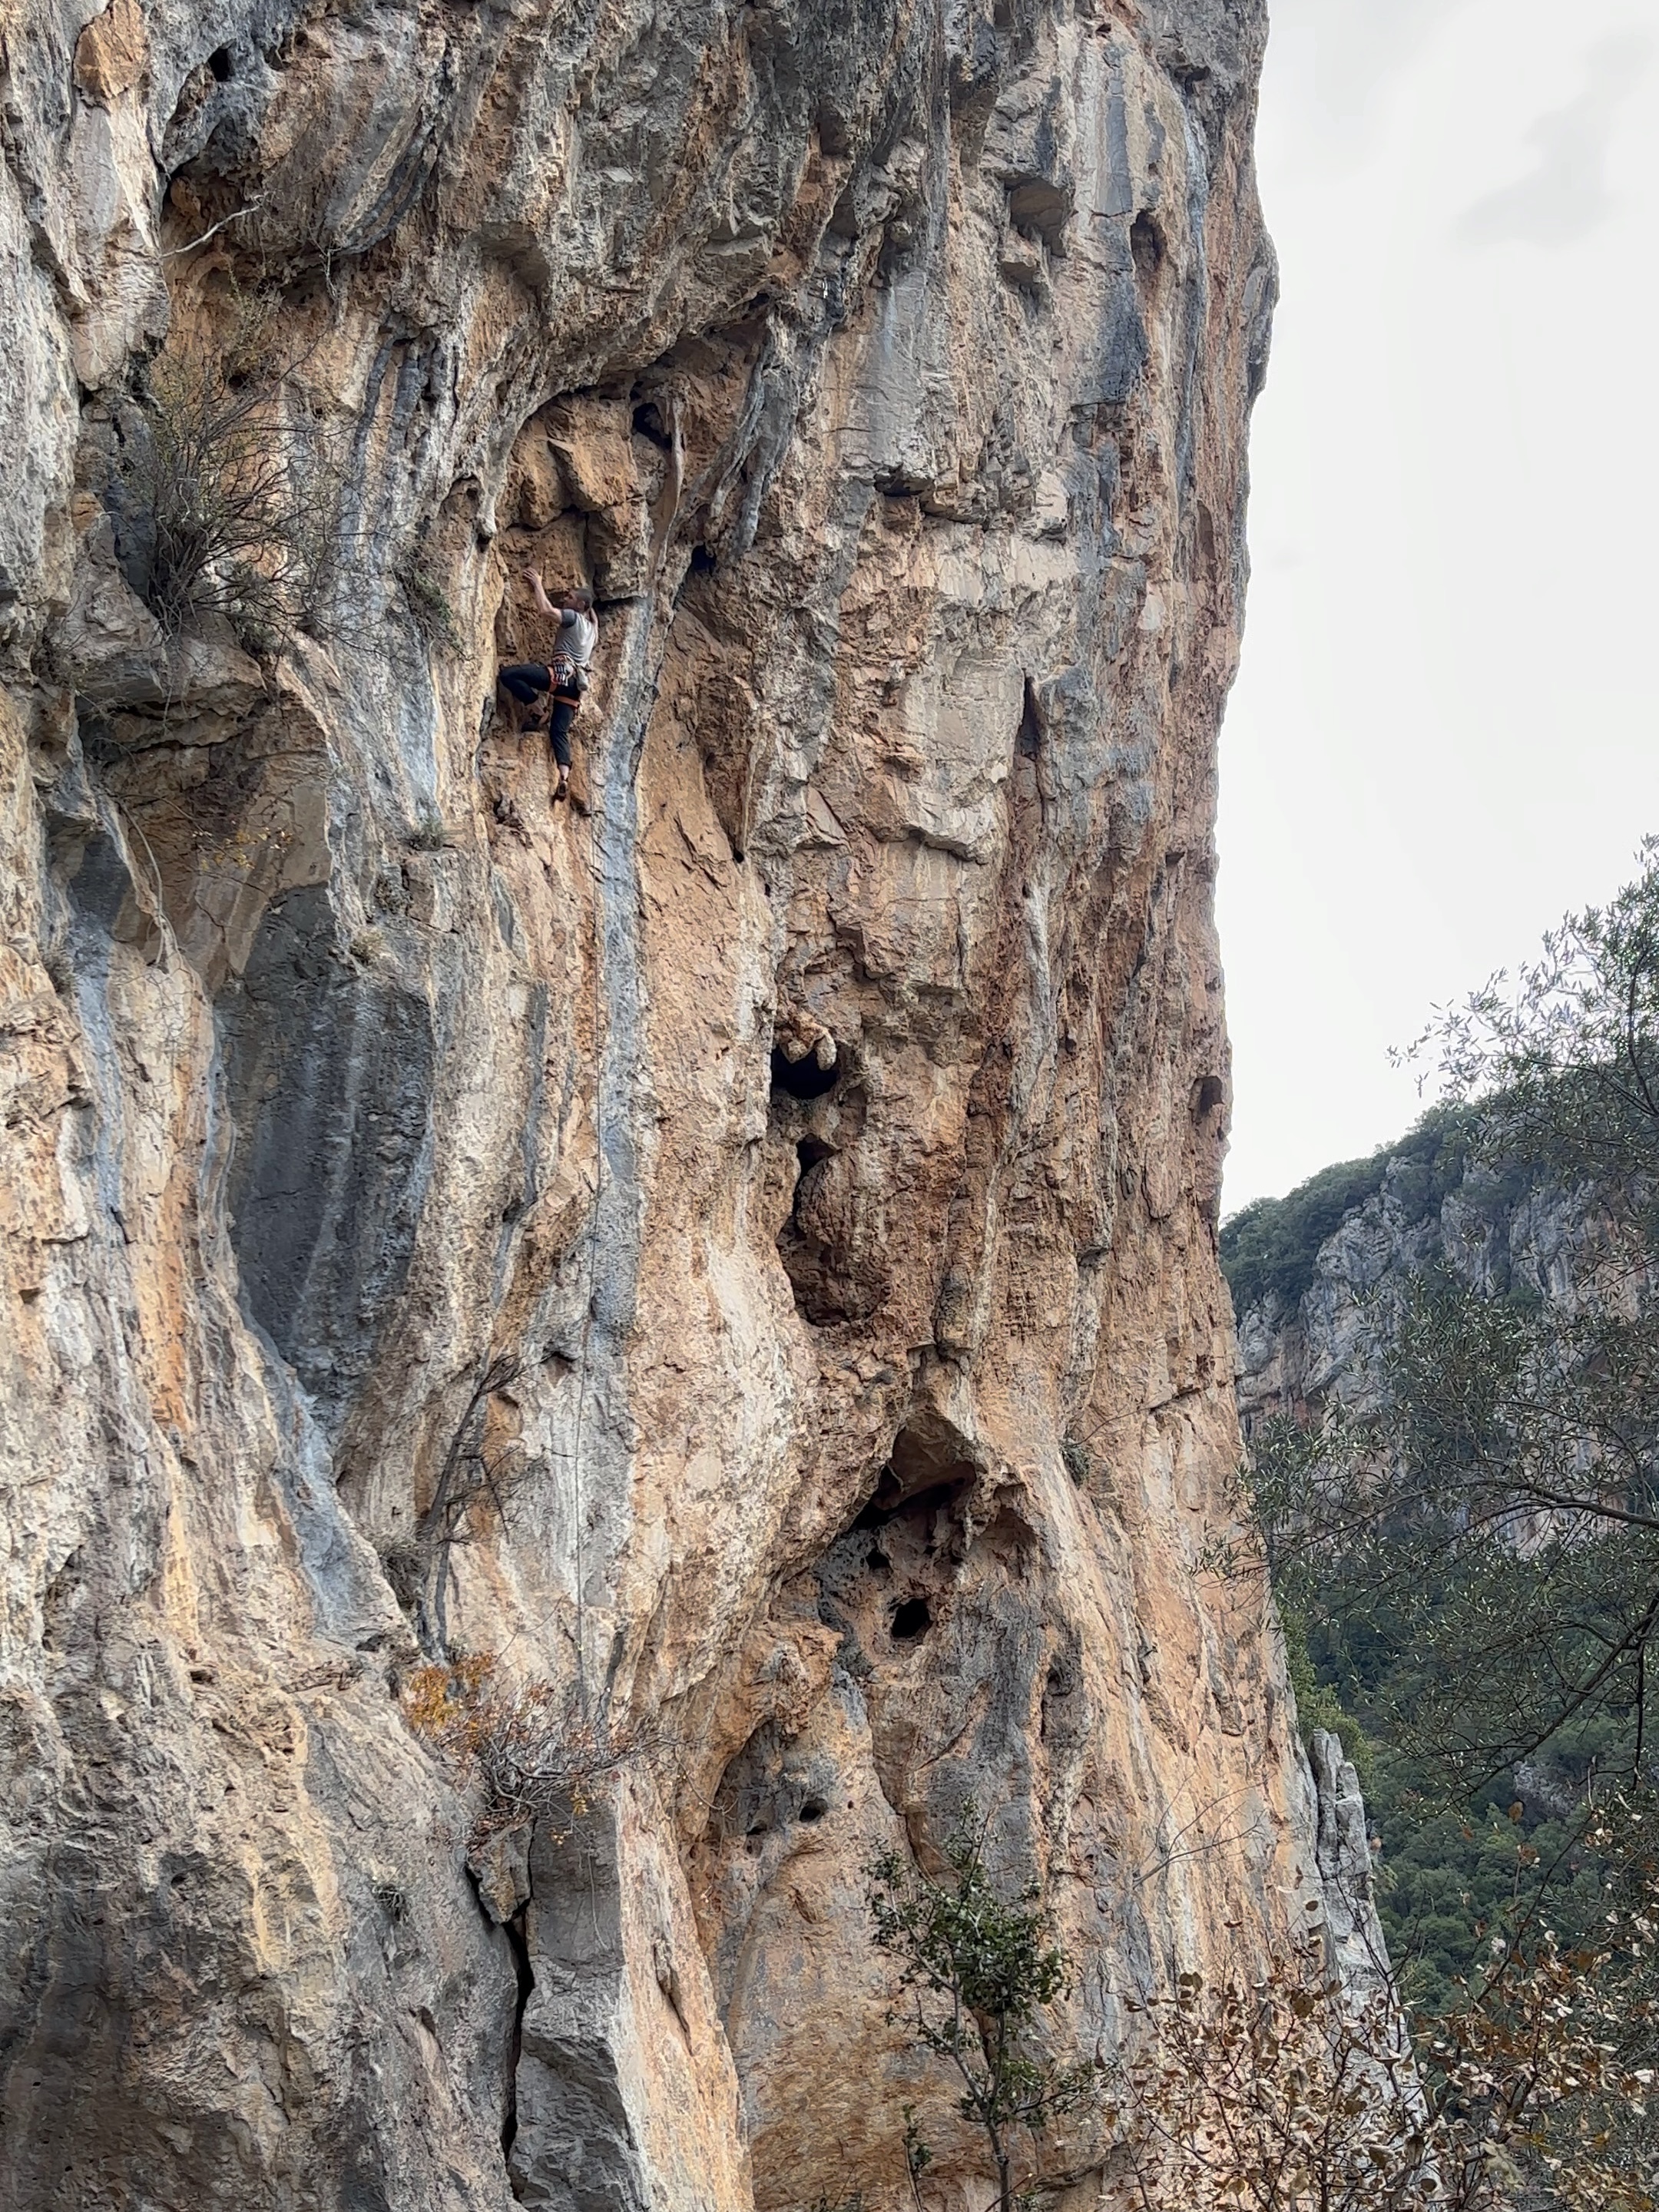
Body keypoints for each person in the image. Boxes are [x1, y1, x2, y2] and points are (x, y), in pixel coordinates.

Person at [497, 572, 598, 803]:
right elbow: (595, 620)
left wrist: (538, 585)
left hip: (561, 674)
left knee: (509, 674)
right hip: (576, 687)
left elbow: (546, 611)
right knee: (559, 731)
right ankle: (564, 777)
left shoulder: (573, 617)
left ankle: (537, 710)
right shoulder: (593, 630)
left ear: (580, 605)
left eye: (570, 597)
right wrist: (591, 609)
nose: (565, 599)